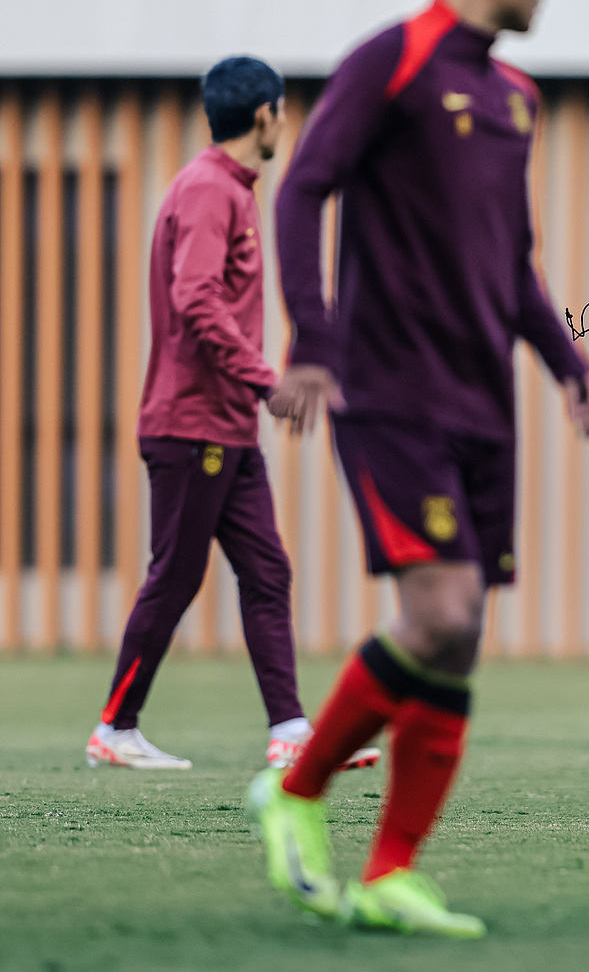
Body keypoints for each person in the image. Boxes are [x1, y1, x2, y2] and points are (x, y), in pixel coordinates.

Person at [247, 0, 589, 939]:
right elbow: (303, 187)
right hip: (389, 388)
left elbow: (511, 258)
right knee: (439, 611)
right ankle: (296, 789)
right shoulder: (391, 59)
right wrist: (312, 340)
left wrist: (565, 362)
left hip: (482, 401)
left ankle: (392, 872)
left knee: (458, 637)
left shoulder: (515, 97)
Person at [86, 57, 375, 774]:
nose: (286, 121)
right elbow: (195, 297)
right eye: (284, 110)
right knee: (175, 577)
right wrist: (266, 379)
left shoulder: (227, 189)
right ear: (266, 114)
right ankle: (114, 728)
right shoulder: (210, 190)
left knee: (267, 572)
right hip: (191, 426)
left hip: (226, 428)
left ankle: (291, 732)